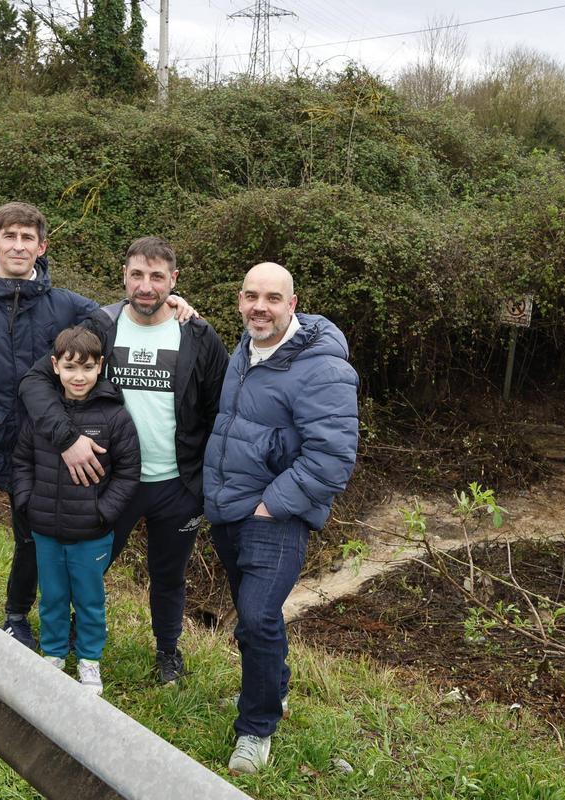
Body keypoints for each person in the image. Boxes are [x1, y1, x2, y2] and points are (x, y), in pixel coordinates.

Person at [0, 203, 194, 649]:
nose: (18, 246)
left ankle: (16, 617)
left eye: (28, 238)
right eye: (9, 237)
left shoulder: (65, 306)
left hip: (38, 452)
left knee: (33, 542)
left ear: (41, 248)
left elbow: (125, 313)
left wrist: (170, 304)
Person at [20, 236, 229, 684]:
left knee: (168, 574)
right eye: (137, 275)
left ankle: (167, 651)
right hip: (109, 480)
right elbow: (36, 381)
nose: (146, 286)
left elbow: (220, 411)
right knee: (88, 566)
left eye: (157, 276)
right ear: (124, 276)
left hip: (177, 484)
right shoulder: (102, 327)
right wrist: (66, 438)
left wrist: (210, 480)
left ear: (173, 279)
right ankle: (73, 636)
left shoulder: (198, 335)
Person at [202, 262, 359, 775]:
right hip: (229, 507)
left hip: (275, 514)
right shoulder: (244, 352)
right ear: (240, 300)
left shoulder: (322, 367)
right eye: (251, 296)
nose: (260, 307)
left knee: (258, 616)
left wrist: (272, 505)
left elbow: (332, 458)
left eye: (272, 298)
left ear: (292, 305)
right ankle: (272, 690)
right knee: (252, 619)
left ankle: (257, 727)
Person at [11, 326, 141, 694]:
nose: (78, 376)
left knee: (89, 600)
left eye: (87, 367)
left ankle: (89, 660)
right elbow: (21, 462)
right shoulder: (42, 416)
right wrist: (27, 502)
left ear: (100, 366)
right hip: (46, 529)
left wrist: (103, 513)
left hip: (91, 534)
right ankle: (53, 653)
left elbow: (129, 472)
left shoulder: (114, 417)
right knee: (52, 596)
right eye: (70, 367)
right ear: (55, 366)